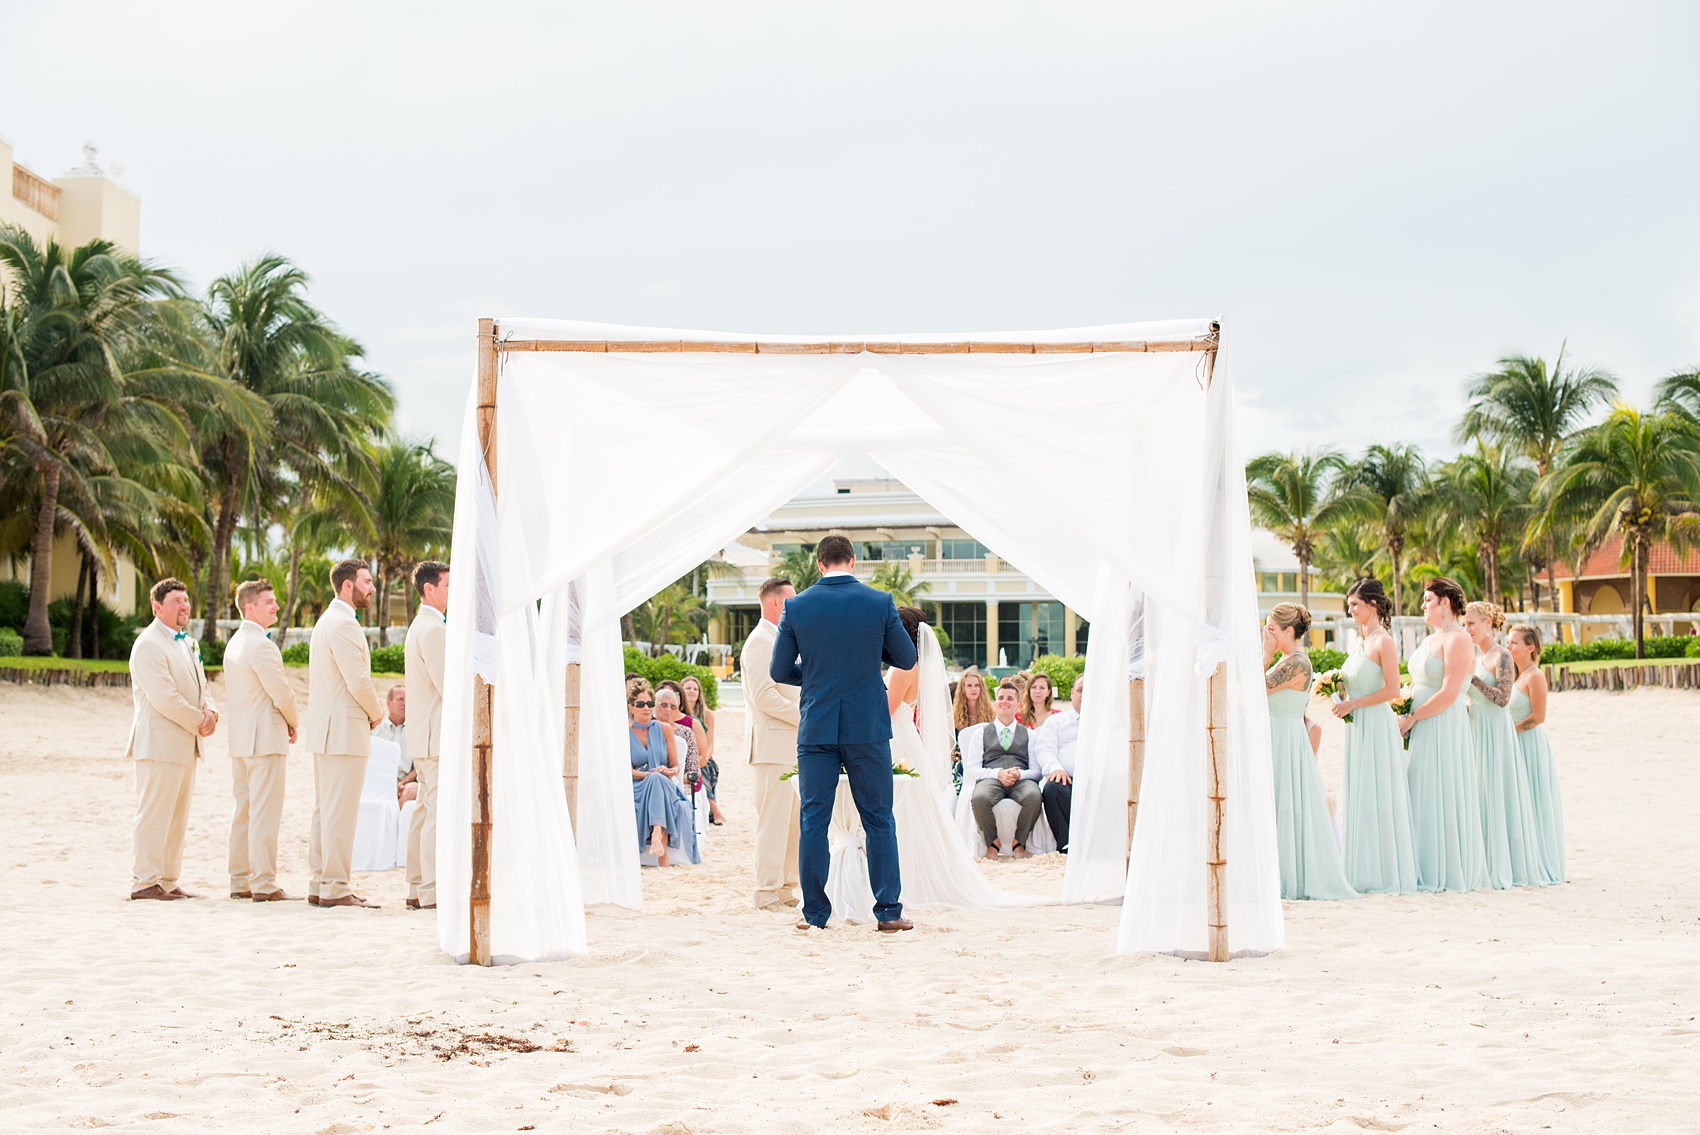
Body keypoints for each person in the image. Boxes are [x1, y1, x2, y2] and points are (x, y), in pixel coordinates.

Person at [771, 535, 919, 932]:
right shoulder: (879, 602)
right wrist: (869, 660)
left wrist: (818, 675)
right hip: (866, 725)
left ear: (819, 564)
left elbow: (780, 671)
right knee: (878, 819)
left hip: (817, 723)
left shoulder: (797, 606)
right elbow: (906, 657)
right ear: (852, 561)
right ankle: (888, 912)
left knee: (813, 821)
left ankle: (815, 915)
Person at [126, 578, 217, 901]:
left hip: (186, 745)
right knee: (154, 814)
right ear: (157, 608)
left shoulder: (187, 643)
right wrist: (200, 720)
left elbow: (202, 686)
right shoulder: (148, 644)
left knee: (177, 818)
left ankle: (166, 879)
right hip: (158, 743)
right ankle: (144, 881)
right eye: (176, 601)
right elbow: (165, 698)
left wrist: (213, 712)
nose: (184, 606)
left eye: (185, 600)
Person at [303, 558, 385, 909]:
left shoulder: (327, 622)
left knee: (326, 810)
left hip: (326, 731)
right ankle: (336, 887)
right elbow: (358, 682)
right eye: (367, 582)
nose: (372, 588)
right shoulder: (344, 625)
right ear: (348, 585)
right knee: (340, 812)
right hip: (343, 731)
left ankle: (320, 881)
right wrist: (378, 713)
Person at [1398, 577, 1487, 893]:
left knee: (1438, 787)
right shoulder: (1428, 640)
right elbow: (1418, 682)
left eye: (1427, 600)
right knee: (1419, 786)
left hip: (1442, 724)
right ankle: (1420, 861)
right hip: (1420, 722)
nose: (1422, 606)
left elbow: (1450, 692)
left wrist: (1413, 717)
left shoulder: (1459, 639)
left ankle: (1442, 866)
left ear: (1445, 603)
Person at [1330, 578, 1417, 894]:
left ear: (1373, 605)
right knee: (1360, 793)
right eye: (1349, 604)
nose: (1350, 609)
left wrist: (1355, 703)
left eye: (1355, 604)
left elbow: (1393, 689)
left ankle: (1382, 871)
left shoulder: (1383, 642)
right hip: (1357, 728)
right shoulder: (1358, 642)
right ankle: (1360, 866)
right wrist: (1341, 694)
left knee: (1378, 793)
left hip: (1377, 726)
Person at [1263, 603, 1356, 900]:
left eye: (1272, 629)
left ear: (1288, 631)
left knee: (1285, 803)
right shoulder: (1287, 659)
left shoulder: (1296, 663)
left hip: (1286, 739)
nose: (1267, 634)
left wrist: (1264, 655)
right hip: (1278, 736)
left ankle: (1288, 875)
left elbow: (1258, 686)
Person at [222, 578, 300, 902]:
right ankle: (265, 883)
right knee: (264, 813)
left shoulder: (234, 643)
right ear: (249, 606)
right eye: (269, 601)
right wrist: (293, 722)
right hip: (265, 740)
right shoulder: (261, 645)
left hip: (241, 741)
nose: (277, 606)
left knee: (244, 811)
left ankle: (239, 880)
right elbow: (281, 692)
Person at [1463, 601, 1549, 888]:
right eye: (1465, 624)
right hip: (1476, 728)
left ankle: (1505, 863)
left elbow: (1501, 698)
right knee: (1481, 793)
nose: (1468, 629)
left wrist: (1471, 679)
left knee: (1497, 792)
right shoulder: (1475, 657)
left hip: (1496, 732)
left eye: (1472, 623)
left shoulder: (1500, 656)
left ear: (1488, 624)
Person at [742, 577, 802, 910]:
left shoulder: (782, 639)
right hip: (770, 746)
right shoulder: (759, 642)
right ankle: (765, 890)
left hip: (792, 746)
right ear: (776, 603)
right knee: (773, 820)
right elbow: (764, 696)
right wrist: (804, 716)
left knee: (794, 822)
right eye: (791, 600)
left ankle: (785, 887)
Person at [403, 559, 449, 911]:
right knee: (436, 810)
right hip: (436, 734)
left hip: (423, 733)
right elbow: (448, 685)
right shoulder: (433, 629)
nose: (452, 591)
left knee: (423, 809)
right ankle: (431, 889)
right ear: (429, 588)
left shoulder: (421, 626)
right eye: (447, 585)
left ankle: (417, 886)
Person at [1508, 623, 1565, 883]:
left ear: (1530, 647)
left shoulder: (1535, 676)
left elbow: (1538, 717)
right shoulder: (1515, 677)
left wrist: (1511, 732)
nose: (1509, 647)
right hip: (1514, 743)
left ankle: (1538, 858)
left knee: (1532, 799)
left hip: (1529, 744)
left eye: (1514, 643)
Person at [961, 680, 1043, 860]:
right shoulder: (980, 734)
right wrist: (998, 773)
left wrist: (1019, 774)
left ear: (1018, 705)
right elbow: (972, 770)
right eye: (1000, 698)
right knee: (980, 798)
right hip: (991, 779)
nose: (1004, 701)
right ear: (995, 703)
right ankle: (993, 842)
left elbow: (1037, 770)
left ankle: (1019, 842)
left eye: (1010, 698)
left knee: (1034, 796)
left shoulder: (1030, 734)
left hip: (1021, 780)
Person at [627, 678, 697, 866]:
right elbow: (625, 771)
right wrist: (647, 775)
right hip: (637, 784)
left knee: (658, 779)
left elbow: (676, 767)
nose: (646, 708)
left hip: (665, 781)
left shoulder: (664, 729)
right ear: (631, 707)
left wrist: (666, 771)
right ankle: (660, 846)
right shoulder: (624, 732)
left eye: (650, 704)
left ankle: (658, 833)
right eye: (640, 704)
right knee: (654, 779)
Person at [1033, 675, 1082, 854]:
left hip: (1097, 780)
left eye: (1088, 690)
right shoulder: (1057, 721)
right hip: (1066, 778)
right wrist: (1056, 768)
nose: (1084, 695)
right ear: (1072, 693)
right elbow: (1044, 748)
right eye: (1080, 690)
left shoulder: (1106, 722)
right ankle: (1066, 845)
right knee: (1053, 789)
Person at [680, 675, 724, 825]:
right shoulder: (677, 713)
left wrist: (704, 757)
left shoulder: (707, 714)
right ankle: (714, 809)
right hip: (682, 755)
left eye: (695, 688)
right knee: (697, 767)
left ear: (699, 693)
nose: (692, 691)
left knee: (704, 767)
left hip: (703, 755)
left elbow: (710, 743)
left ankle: (713, 808)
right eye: (688, 688)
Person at [373, 687, 413, 803]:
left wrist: (401, 784)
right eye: (400, 699)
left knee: (411, 792)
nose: (405, 704)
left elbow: (418, 768)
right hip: (379, 781)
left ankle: (395, 821)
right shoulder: (375, 732)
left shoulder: (414, 733)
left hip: (405, 783)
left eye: (407, 699)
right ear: (388, 703)